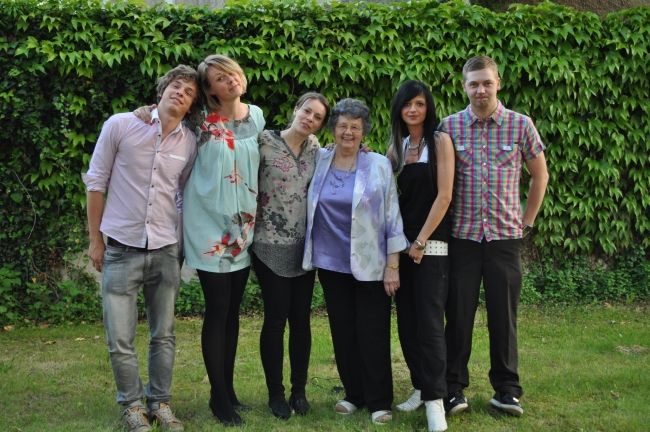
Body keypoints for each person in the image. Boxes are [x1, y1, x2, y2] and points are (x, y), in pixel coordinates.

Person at [83, 64, 199, 432]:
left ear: (191, 105)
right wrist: (95, 241)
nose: (180, 93)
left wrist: (182, 248)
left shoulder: (189, 142)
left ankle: (160, 402)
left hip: (165, 249)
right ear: (162, 90)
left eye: (189, 93)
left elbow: (183, 194)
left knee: (163, 334)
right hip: (121, 249)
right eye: (176, 86)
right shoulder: (120, 125)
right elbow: (96, 183)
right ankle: (132, 406)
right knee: (120, 337)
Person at [440, 55, 549, 417]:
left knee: (504, 317)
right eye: (474, 84)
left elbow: (540, 175)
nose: (481, 90)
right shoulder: (449, 127)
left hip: (504, 239)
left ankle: (507, 391)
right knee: (458, 316)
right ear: (464, 87)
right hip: (463, 238)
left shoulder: (520, 125)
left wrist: (526, 222)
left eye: (487, 82)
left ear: (498, 83)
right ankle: (453, 389)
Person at [303, 98, 408, 425]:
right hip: (330, 263)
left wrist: (393, 264)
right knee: (343, 331)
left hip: (371, 262)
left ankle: (379, 400)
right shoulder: (320, 159)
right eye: (342, 126)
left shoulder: (377, 164)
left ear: (364, 132)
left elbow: (392, 215)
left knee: (373, 332)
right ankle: (354, 394)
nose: (348, 132)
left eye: (355, 127)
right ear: (333, 129)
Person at [183, 54, 265, 426]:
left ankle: (228, 390)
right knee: (217, 309)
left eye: (232, 72)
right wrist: (143, 112)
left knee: (232, 311)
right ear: (210, 89)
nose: (230, 79)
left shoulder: (257, 117)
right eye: (220, 77)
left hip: (243, 228)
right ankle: (218, 399)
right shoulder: (197, 119)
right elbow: (162, 115)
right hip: (207, 227)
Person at [252, 93, 330, 419]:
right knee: (275, 319)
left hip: (304, 248)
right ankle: (276, 394)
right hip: (268, 244)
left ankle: (299, 392)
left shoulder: (317, 151)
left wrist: (364, 151)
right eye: (307, 111)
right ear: (296, 109)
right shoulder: (263, 141)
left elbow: (347, 158)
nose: (310, 119)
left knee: (301, 321)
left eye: (317, 117)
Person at [387, 81, 454, 432]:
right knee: (407, 324)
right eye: (406, 104)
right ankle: (419, 386)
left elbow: (444, 196)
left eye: (419, 104)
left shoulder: (440, 141)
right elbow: (384, 191)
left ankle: (435, 401)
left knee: (429, 326)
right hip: (403, 247)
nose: (413, 110)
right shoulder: (396, 146)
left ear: (428, 108)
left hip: (431, 246)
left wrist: (421, 241)